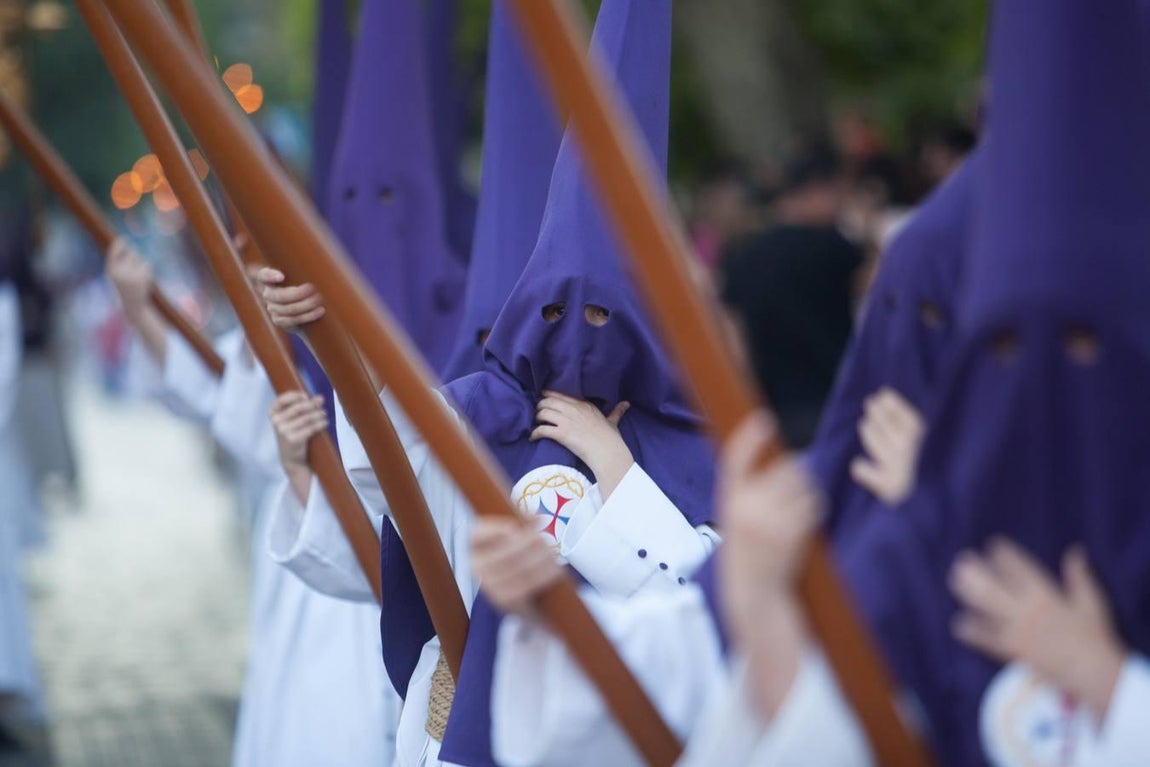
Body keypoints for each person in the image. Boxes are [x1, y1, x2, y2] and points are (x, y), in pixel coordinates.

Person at [260, 2, 719, 765]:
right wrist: (328, 332)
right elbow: (387, 465)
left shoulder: (689, 446)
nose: (577, 334)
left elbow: (715, 609)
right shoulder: (477, 414)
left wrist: (618, 469)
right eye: (553, 310)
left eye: (604, 312)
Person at [105, 240, 398, 767]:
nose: (246, 261)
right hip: (313, 548)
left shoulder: (372, 298)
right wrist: (137, 306)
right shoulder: (263, 332)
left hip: (383, 555)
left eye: (252, 246)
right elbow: (216, 395)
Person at [718, 146, 864, 448]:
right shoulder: (832, 245)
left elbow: (735, 346)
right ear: (816, 191)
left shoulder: (740, 260)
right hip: (846, 398)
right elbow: (877, 305)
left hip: (785, 418)